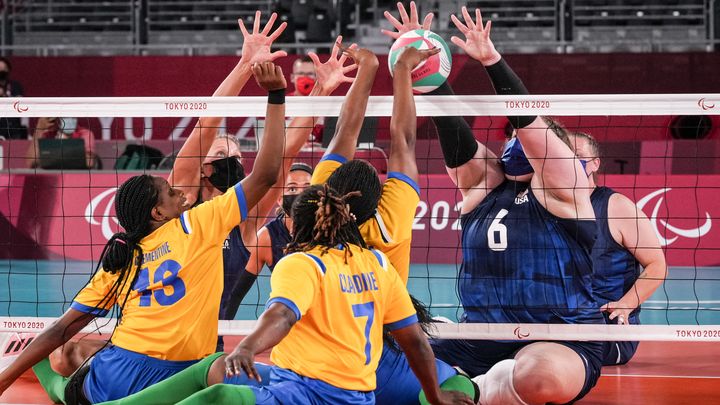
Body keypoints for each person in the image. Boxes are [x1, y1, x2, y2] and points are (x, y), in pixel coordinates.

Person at [0, 61, 287, 403]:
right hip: (167, 376)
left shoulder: (121, 254)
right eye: (170, 192)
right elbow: (268, 173)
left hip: (112, 375)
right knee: (218, 368)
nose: (180, 192)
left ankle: (56, 381)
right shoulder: (200, 223)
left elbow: (60, 327)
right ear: (157, 212)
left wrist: (3, 380)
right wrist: (276, 95)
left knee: (68, 362)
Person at [94, 184, 474, 405]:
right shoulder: (374, 261)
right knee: (211, 369)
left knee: (219, 395)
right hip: (356, 396)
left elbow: (281, 314)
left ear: (300, 226)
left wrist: (246, 346)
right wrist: (436, 398)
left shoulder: (302, 263)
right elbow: (416, 343)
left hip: (307, 395)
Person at [426, 7, 605, 405]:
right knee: (385, 354)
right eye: (512, 139)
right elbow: (451, 125)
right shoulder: (484, 186)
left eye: (524, 139)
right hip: (480, 337)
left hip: (560, 336)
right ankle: (476, 379)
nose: (516, 144)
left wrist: (491, 61)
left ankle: (476, 386)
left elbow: (529, 124)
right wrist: (428, 71)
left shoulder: (564, 189)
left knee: (538, 379)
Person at [571, 131, 667, 366]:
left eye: (578, 155)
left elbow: (657, 264)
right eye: (565, 155)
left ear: (595, 164)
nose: (571, 161)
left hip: (608, 329)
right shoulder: (550, 205)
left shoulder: (616, 206)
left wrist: (626, 304)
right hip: (564, 321)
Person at [28, 117, 98, 169]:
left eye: (72, 116)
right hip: (51, 177)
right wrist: (39, 129)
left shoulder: (85, 134)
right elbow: (30, 163)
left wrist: (63, 143)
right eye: (64, 116)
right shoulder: (47, 134)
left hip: (76, 177)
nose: (68, 118)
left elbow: (89, 162)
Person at [0, 57, 27, 140]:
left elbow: (20, 105)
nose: (1, 71)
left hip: (13, 130)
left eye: (3, 69)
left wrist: (4, 95)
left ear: (8, 70)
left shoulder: (15, 86)